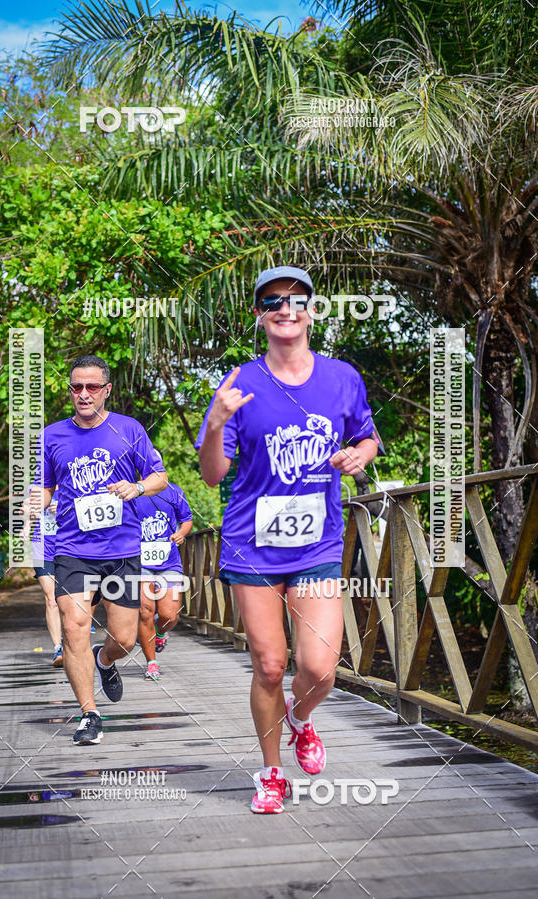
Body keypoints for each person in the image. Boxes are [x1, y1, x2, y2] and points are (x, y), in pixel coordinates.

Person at [195, 265, 380, 814]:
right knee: (270, 665)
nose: (285, 309)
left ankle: (300, 717)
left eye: (296, 300)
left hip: (317, 543)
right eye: (273, 301)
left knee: (320, 668)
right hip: (252, 544)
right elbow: (211, 474)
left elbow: (367, 438)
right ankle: (272, 772)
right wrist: (215, 424)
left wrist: (358, 457)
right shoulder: (238, 383)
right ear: (260, 314)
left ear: (312, 311)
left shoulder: (342, 377)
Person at [28, 355, 167, 746]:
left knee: (124, 639)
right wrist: (35, 502)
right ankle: (89, 714)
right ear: (70, 391)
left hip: (122, 549)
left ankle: (104, 660)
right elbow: (45, 487)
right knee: (73, 626)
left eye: (92, 387)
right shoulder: (52, 436)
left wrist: (137, 488)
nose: (84, 394)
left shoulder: (129, 429)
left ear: (106, 389)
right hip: (73, 549)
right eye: (77, 387)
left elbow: (159, 477)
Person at [136, 483, 193, 680]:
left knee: (170, 615)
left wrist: (181, 533)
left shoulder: (174, 491)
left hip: (169, 561)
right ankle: (151, 663)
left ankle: (159, 634)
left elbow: (187, 520)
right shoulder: (131, 491)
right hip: (140, 561)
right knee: (145, 611)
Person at [31, 486, 63, 666]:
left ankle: (72, 640)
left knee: (70, 598)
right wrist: (26, 512)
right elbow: (25, 511)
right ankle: (58, 647)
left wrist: (64, 509)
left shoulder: (73, 479)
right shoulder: (36, 487)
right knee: (51, 599)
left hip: (69, 547)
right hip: (42, 549)